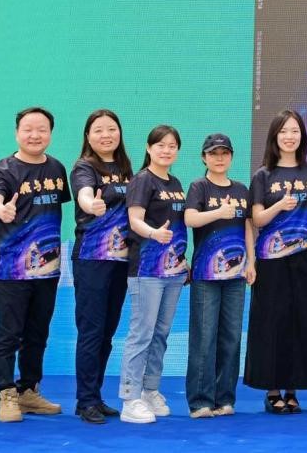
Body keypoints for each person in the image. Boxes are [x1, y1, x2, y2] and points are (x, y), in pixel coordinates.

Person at [0, 106, 70, 422]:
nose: (35, 135)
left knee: (38, 332)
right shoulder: (3, 170)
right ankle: (6, 393)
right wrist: (0, 210)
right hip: (11, 269)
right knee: (9, 333)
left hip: (47, 269)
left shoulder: (57, 169)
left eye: (42, 129)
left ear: (50, 133)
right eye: (28, 129)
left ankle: (28, 390)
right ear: (17, 133)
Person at [245, 110, 307, 414]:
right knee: (273, 321)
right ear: (274, 136)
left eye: (295, 131)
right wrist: (280, 205)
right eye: (283, 131)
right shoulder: (263, 175)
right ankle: (272, 389)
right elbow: (256, 219)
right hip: (272, 260)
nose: (289, 136)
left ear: (302, 136)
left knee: (304, 320)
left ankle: (293, 388)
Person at [117, 125, 188, 424]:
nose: (166, 150)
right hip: (147, 269)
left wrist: (182, 258)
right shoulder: (142, 180)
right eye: (160, 145)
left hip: (174, 271)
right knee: (142, 333)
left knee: (161, 333)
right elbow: (135, 220)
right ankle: (129, 397)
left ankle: (150, 390)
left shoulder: (175, 182)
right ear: (149, 148)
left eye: (172, 146)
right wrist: (153, 233)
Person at [70, 109, 134, 424]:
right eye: (98, 130)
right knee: (91, 330)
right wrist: (90, 204)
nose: (106, 135)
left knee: (107, 331)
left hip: (120, 261)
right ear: (88, 136)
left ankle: (95, 395)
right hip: (92, 259)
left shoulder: (127, 169)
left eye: (111, 129)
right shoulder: (84, 167)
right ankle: (85, 401)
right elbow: (84, 193)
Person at [184, 133, 255, 418]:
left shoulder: (241, 189)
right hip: (206, 274)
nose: (219, 158)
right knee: (204, 337)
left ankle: (224, 398)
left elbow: (248, 227)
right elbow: (190, 218)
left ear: (231, 157)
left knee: (231, 337)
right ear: (204, 158)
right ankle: (200, 401)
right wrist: (218, 212)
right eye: (213, 153)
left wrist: (252, 262)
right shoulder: (199, 186)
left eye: (224, 153)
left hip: (236, 276)